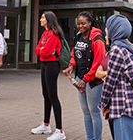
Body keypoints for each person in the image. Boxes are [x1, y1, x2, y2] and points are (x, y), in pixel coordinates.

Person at [98, 15, 133, 140]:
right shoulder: (128, 47)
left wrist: (103, 104)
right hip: (132, 104)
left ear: (115, 29)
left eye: (108, 27)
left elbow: (110, 82)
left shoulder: (117, 50)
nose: (106, 30)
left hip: (124, 108)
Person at [62, 12, 106, 140]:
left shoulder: (97, 39)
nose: (80, 26)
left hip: (93, 81)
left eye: (83, 23)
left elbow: (98, 62)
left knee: (94, 112)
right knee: (86, 112)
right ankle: (90, 138)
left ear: (90, 23)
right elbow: (74, 55)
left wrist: (86, 79)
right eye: (78, 24)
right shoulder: (78, 37)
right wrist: (71, 66)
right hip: (80, 79)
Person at [31, 11, 66, 140]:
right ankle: (46, 125)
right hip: (44, 65)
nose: (40, 20)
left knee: (53, 96)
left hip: (52, 65)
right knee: (45, 95)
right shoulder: (45, 33)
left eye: (42, 18)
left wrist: (42, 49)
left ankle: (60, 131)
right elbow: (37, 49)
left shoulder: (53, 33)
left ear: (48, 20)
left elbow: (44, 51)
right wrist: (41, 49)